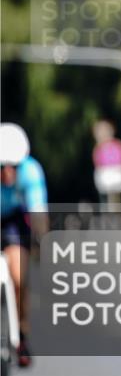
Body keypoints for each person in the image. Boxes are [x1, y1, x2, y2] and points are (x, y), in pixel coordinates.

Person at [0, 122, 49, 368]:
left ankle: (21, 333)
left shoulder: (31, 171)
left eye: (14, 166)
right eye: (1, 167)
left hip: (13, 222)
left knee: (19, 277)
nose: (8, 172)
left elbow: (39, 214)